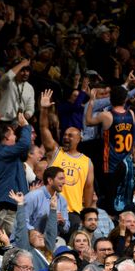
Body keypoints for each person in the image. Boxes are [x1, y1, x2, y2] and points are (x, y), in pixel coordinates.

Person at [39, 89, 95, 222]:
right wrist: (44, 109)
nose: (66, 137)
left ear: (79, 138)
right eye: (65, 135)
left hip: (73, 214)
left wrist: (86, 215)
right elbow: (43, 128)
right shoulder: (55, 152)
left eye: (70, 135)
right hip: (50, 210)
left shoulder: (87, 162)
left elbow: (88, 189)